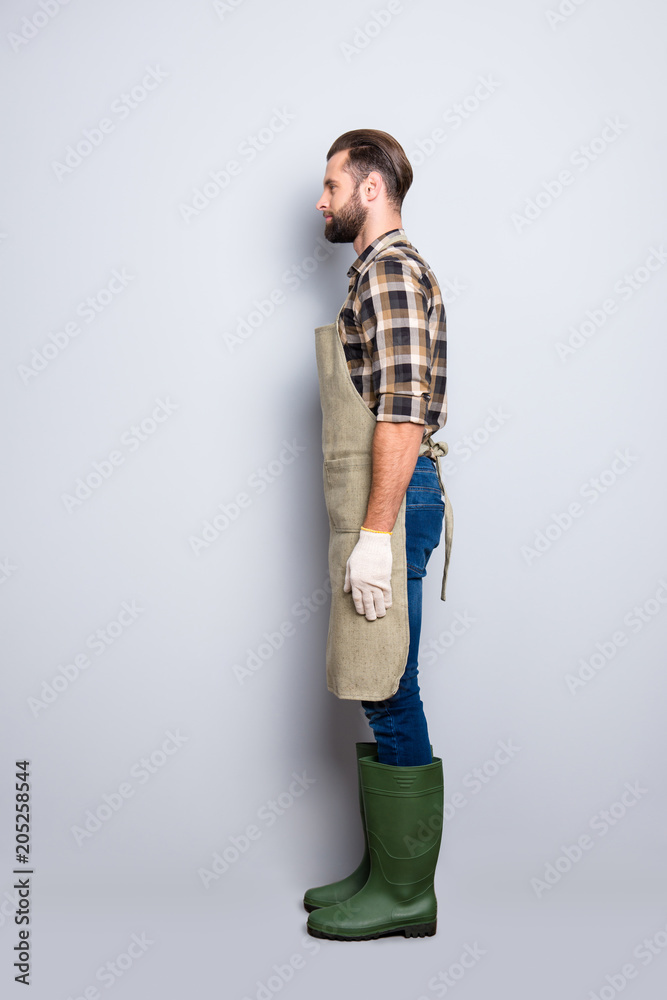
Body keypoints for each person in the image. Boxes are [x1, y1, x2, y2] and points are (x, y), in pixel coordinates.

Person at [304, 129, 453, 941]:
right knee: (378, 681)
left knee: (389, 684)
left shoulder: (390, 273)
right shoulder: (370, 275)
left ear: (369, 189)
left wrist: (374, 535)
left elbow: (400, 415)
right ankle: (382, 871)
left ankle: (405, 893)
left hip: (388, 506)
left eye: (331, 185)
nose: (319, 201)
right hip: (382, 505)